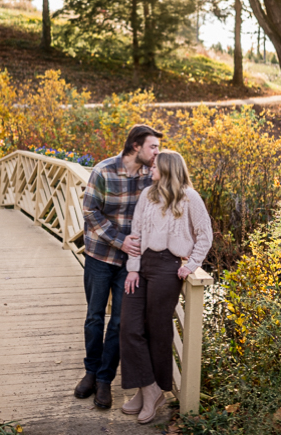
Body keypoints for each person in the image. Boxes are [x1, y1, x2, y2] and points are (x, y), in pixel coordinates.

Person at [120, 151, 213, 423]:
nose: (150, 171)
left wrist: (192, 264)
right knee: (129, 326)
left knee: (158, 330)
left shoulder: (190, 197)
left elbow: (205, 235)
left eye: (155, 168)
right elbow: (135, 234)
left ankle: (150, 393)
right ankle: (148, 388)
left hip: (168, 267)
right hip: (144, 265)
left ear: (168, 169)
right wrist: (133, 268)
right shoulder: (148, 195)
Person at [74, 124, 163, 409]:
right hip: (100, 256)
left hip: (131, 264)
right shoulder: (103, 171)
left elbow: (165, 209)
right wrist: (119, 240)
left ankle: (104, 380)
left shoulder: (152, 178)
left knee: (120, 323)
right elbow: (89, 211)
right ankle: (90, 371)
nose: (157, 153)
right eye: (153, 147)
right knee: (94, 317)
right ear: (136, 146)